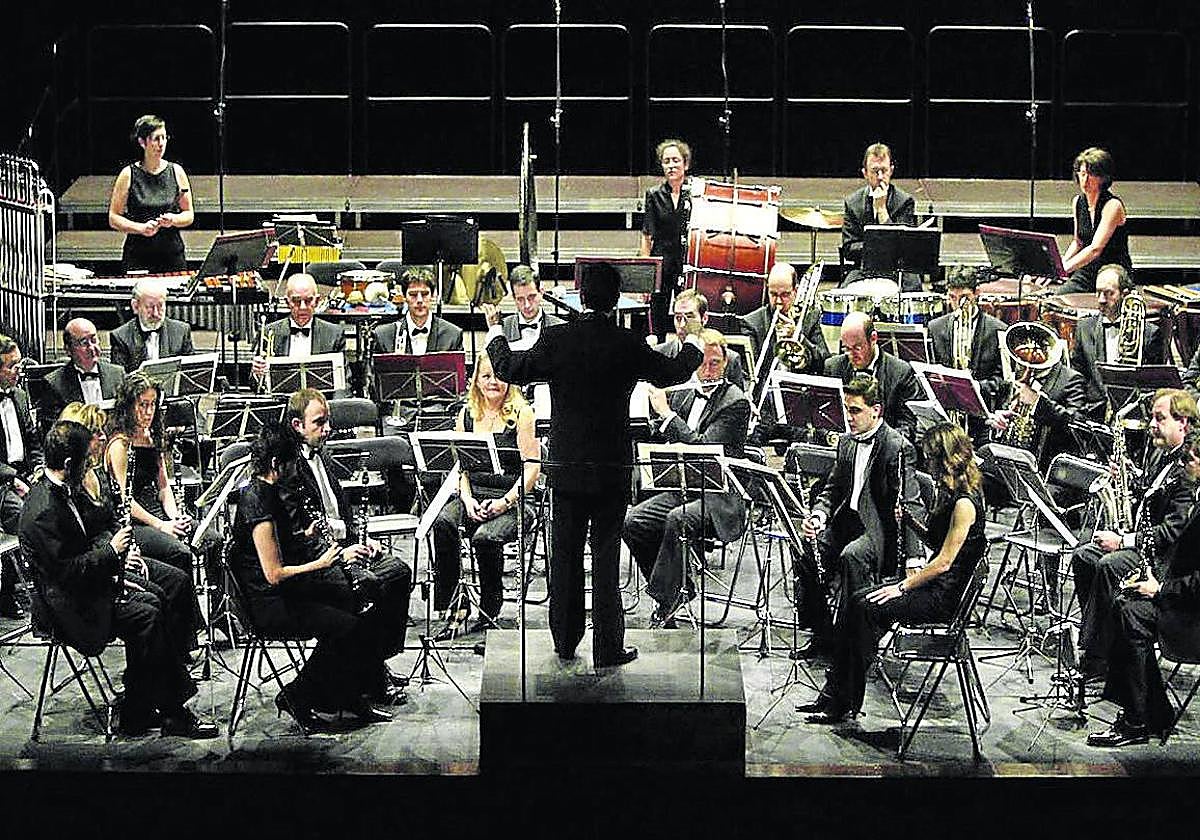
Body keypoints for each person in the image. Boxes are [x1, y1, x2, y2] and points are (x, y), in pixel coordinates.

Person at [485, 262, 704, 667]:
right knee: (605, 560)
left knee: (565, 556)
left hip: (567, 467)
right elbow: (671, 372)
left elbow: (509, 368)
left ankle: (565, 642)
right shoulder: (628, 342)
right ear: (616, 299)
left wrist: (497, 328)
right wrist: (693, 342)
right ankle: (608, 648)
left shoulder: (557, 339)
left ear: (581, 296)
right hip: (612, 468)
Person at [18, 420, 217, 738]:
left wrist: (118, 547)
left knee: (157, 594)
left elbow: (98, 523)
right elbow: (67, 574)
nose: (90, 468)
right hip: (71, 608)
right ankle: (171, 711)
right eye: (86, 461)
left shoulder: (67, 488)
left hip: (90, 586)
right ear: (70, 464)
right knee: (148, 612)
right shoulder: (43, 510)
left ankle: (139, 708)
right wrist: (112, 552)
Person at [798, 423, 984, 724]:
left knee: (865, 609)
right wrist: (909, 522)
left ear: (945, 459)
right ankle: (835, 694)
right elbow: (939, 542)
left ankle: (843, 701)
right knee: (858, 601)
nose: (927, 465)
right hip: (933, 583)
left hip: (942, 596)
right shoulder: (950, 494)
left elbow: (944, 563)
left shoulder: (965, 503)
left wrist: (903, 586)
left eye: (930, 458)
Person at [232, 422, 409, 727]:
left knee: (354, 603)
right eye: (292, 463)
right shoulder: (258, 501)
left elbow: (282, 546)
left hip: (285, 592)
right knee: (350, 625)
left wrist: (305, 535)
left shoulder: (269, 490)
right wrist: (324, 562)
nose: (295, 470)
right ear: (277, 464)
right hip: (268, 603)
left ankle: (347, 693)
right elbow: (274, 573)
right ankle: (299, 695)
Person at [275, 388, 413, 701]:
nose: (327, 429)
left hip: (343, 546)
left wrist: (362, 542)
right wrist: (339, 553)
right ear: (297, 426)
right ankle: (368, 675)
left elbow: (340, 510)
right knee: (369, 584)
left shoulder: (322, 453)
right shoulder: (289, 468)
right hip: (321, 559)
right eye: (319, 423)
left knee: (399, 571)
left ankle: (373, 662)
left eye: (328, 421)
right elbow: (298, 533)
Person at [623, 328, 749, 625]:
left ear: (726, 362)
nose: (706, 371)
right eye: (701, 363)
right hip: (682, 486)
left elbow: (703, 448)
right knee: (633, 522)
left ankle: (670, 596)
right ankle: (677, 589)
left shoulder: (735, 402)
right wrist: (647, 413)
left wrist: (668, 415)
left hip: (719, 495)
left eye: (714, 363)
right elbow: (665, 437)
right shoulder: (685, 392)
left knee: (678, 518)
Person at [792, 375, 922, 659]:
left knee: (852, 556)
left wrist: (914, 558)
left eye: (855, 410)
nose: (848, 417)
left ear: (876, 410)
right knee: (807, 552)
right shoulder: (847, 442)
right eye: (846, 408)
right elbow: (832, 489)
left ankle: (853, 644)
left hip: (877, 529)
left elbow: (910, 503)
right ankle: (822, 633)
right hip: (846, 521)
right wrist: (819, 515)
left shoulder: (897, 447)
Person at [1070, 388, 1195, 680]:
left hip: (1162, 560)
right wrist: (1131, 475)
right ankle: (1107, 644)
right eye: (1152, 417)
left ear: (1183, 423)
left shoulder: (1188, 467)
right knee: (1084, 556)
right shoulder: (1160, 453)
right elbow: (1153, 494)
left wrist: (1124, 541)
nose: (1152, 424)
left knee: (1108, 564)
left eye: (1160, 418)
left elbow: (1172, 531)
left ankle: (1096, 658)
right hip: (1141, 543)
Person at [1086, 428, 1200, 747]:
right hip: (1185, 600)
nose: (1186, 464)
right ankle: (1153, 712)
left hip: (1193, 617)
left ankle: (1136, 719)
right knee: (1125, 601)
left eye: (1192, 459)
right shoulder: (1195, 494)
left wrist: (1160, 590)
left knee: (1131, 612)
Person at [429, 351, 540, 645]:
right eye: (485, 376)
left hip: (514, 499)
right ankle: (455, 607)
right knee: (442, 523)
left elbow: (532, 470)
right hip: (473, 494)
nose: (492, 382)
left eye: (499, 376)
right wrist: (466, 500)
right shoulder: (467, 413)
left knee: (484, 538)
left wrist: (504, 502)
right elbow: (459, 466)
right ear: (475, 379)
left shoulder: (522, 414)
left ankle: (490, 608)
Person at [104, 373, 195, 578]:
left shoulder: (152, 437)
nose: (149, 412)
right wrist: (161, 525)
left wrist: (174, 517)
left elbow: (163, 487)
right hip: (135, 521)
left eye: (153, 404)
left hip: (158, 510)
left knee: (211, 540)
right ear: (128, 407)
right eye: (142, 405)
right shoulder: (120, 444)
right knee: (181, 553)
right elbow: (125, 500)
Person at [1070, 264, 1163, 420]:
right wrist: (1079, 410)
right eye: (1098, 292)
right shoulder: (1084, 327)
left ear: (1124, 294)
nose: (1101, 300)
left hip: (1132, 415)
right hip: (1093, 413)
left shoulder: (1149, 333)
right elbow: (1077, 375)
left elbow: (1153, 383)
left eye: (1108, 294)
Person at [988, 325, 1087, 470]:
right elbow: (1002, 413)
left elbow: (1078, 425)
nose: (1031, 353)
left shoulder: (1071, 379)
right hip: (1009, 462)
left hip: (1048, 468)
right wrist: (998, 421)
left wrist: (1037, 402)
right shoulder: (1016, 375)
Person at [107, 115, 193, 274]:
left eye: (164, 138)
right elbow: (113, 217)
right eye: (155, 139)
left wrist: (173, 220)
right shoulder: (128, 174)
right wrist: (141, 228)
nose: (161, 144)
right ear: (142, 142)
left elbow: (189, 214)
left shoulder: (177, 171)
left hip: (171, 255)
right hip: (138, 255)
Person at [824, 312, 919, 442]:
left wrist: (882, 445)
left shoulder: (901, 372)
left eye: (857, 348)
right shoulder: (833, 367)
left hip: (883, 451)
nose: (851, 355)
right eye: (846, 348)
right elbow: (825, 417)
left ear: (873, 338)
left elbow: (908, 425)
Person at [839, 142, 919, 290]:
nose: (880, 177)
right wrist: (878, 249)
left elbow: (904, 246)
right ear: (865, 173)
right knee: (845, 292)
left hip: (897, 269)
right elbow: (849, 248)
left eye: (884, 170)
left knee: (913, 289)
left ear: (891, 170)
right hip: (863, 269)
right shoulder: (853, 203)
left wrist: (882, 210)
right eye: (875, 171)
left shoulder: (904, 201)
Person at [0, 334, 41, 617]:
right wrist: (13, 477)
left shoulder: (20, 395)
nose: (19, 371)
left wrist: (39, 469)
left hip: (23, 475)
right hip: (1, 483)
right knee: (30, 517)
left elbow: (34, 441)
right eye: (12, 366)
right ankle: (8, 592)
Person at [926, 266, 1006, 413]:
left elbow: (1003, 380)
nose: (959, 305)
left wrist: (977, 387)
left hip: (983, 411)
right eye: (952, 298)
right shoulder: (935, 327)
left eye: (965, 298)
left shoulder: (998, 329)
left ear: (977, 293)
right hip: (948, 409)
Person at [639, 138, 692, 339]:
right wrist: (645, 275)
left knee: (687, 311)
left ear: (685, 164)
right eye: (666, 161)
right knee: (658, 315)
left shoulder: (695, 193)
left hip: (686, 262)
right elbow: (647, 235)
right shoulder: (653, 194)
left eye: (676, 160)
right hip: (662, 262)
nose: (671, 165)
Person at [1059, 147, 1132, 293]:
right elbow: (1078, 242)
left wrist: (1064, 269)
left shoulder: (1112, 205)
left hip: (1112, 271)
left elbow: (1095, 249)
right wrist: (1058, 266)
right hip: (1088, 270)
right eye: (1083, 173)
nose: (1085, 180)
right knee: (1056, 300)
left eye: (1091, 175)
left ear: (1103, 177)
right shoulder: (1078, 202)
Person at [251, 274, 346, 384]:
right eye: (296, 301)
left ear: (317, 301)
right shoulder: (269, 332)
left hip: (321, 399)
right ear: (287, 302)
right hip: (281, 400)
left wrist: (334, 402)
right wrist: (257, 374)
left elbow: (343, 382)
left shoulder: (334, 334)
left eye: (308, 300)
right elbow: (255, 385)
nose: (302, 307)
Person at [740, 262, 828, 376]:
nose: (778, 302)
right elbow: (750, 370)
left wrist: (798, 337)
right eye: (773, 294)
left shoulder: (810, 318)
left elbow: (825, 362)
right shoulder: (751, 323)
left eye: (784, 295)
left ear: (795, 291)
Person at [40, 319, 126, 432]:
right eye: (84, 343)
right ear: (68, 350)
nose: (91, 347)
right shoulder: (53, 384)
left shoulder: (118, 374)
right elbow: (53, 434)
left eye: (94, 340)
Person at [654, 288, 745, 389]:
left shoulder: (731, 359)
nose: (683, 325)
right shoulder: (658, 354)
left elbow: (736, 401)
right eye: (678, 318)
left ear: (704, 318)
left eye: (690, 317)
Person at [109, 277, 195, 372]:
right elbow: (119, 379)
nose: (156, 313)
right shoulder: (120, 337)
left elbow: (190, 372)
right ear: (135, 306)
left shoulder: (181, 331)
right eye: (149, 307)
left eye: (160, 306)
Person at [372, 267, 464, 354]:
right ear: (404, 297)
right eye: (413, 294)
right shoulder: (383, 335)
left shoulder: (453, 335)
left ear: (433, 296)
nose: (419, 300)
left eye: (424, 294)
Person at [499, 264, 564, 344]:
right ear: (514, 298)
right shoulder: (501, 329)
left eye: (531, 297)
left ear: (541, 292)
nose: (527, 305)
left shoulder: (560, 327)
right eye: (520, 299)